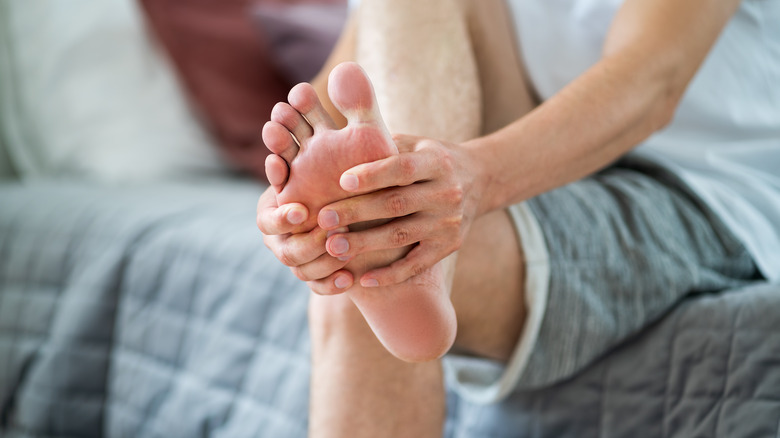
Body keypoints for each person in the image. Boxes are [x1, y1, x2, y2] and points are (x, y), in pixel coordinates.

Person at [256, 0, 779, 436]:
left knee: (354, 268)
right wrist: (284, 209)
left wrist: (477, 176)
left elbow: (652, 82)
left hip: (697, 187)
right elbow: (324, 101)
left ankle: (403, 247)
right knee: (347, 241)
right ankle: (401, 240)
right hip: (532, 148)